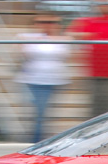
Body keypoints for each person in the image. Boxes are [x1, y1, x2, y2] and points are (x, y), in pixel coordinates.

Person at [16, 14, 71, 142]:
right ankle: (36, 139)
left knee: (45, 112)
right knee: (39, 112)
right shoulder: (28, 38)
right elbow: (24, 53)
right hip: (34, 80)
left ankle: (40, 138)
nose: (47, 25)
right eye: (42, 22)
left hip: (54, 79)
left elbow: (65, 55)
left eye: (52, 23)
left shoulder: (63, 39)